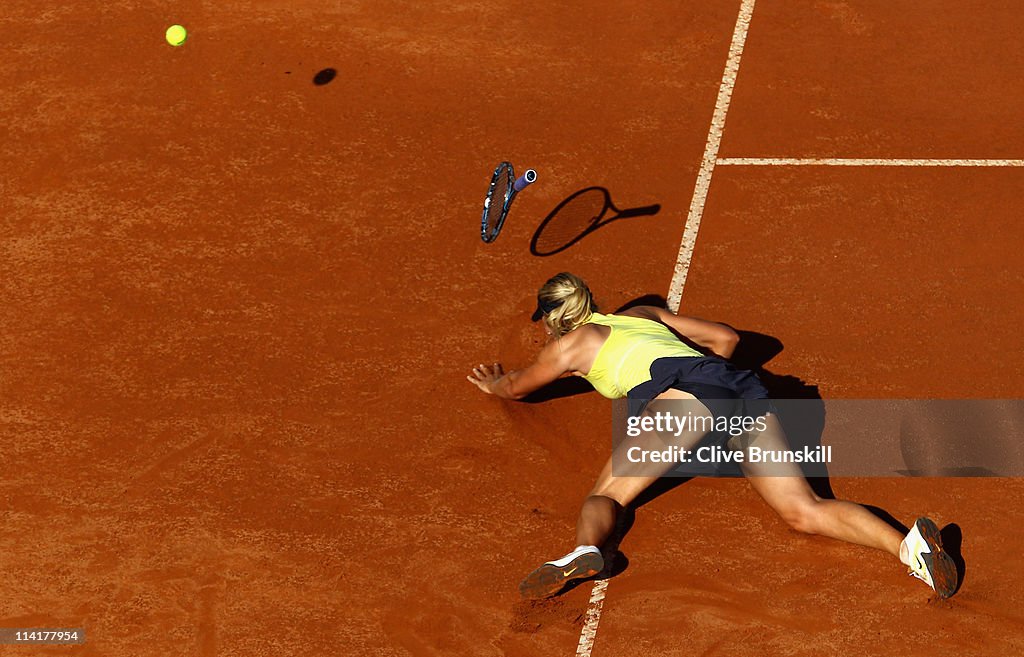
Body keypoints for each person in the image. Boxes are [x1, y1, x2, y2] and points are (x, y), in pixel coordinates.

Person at [467, 272, 958, 600]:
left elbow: (516, 388)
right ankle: (910, 549)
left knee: (608, 494)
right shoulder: (641, 315)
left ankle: (585, 551)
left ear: (554, 319)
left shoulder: (567, 348)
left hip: (687, 400)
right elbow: (726, 340)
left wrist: (494, 383)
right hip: (739, 390)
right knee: (802, 509)